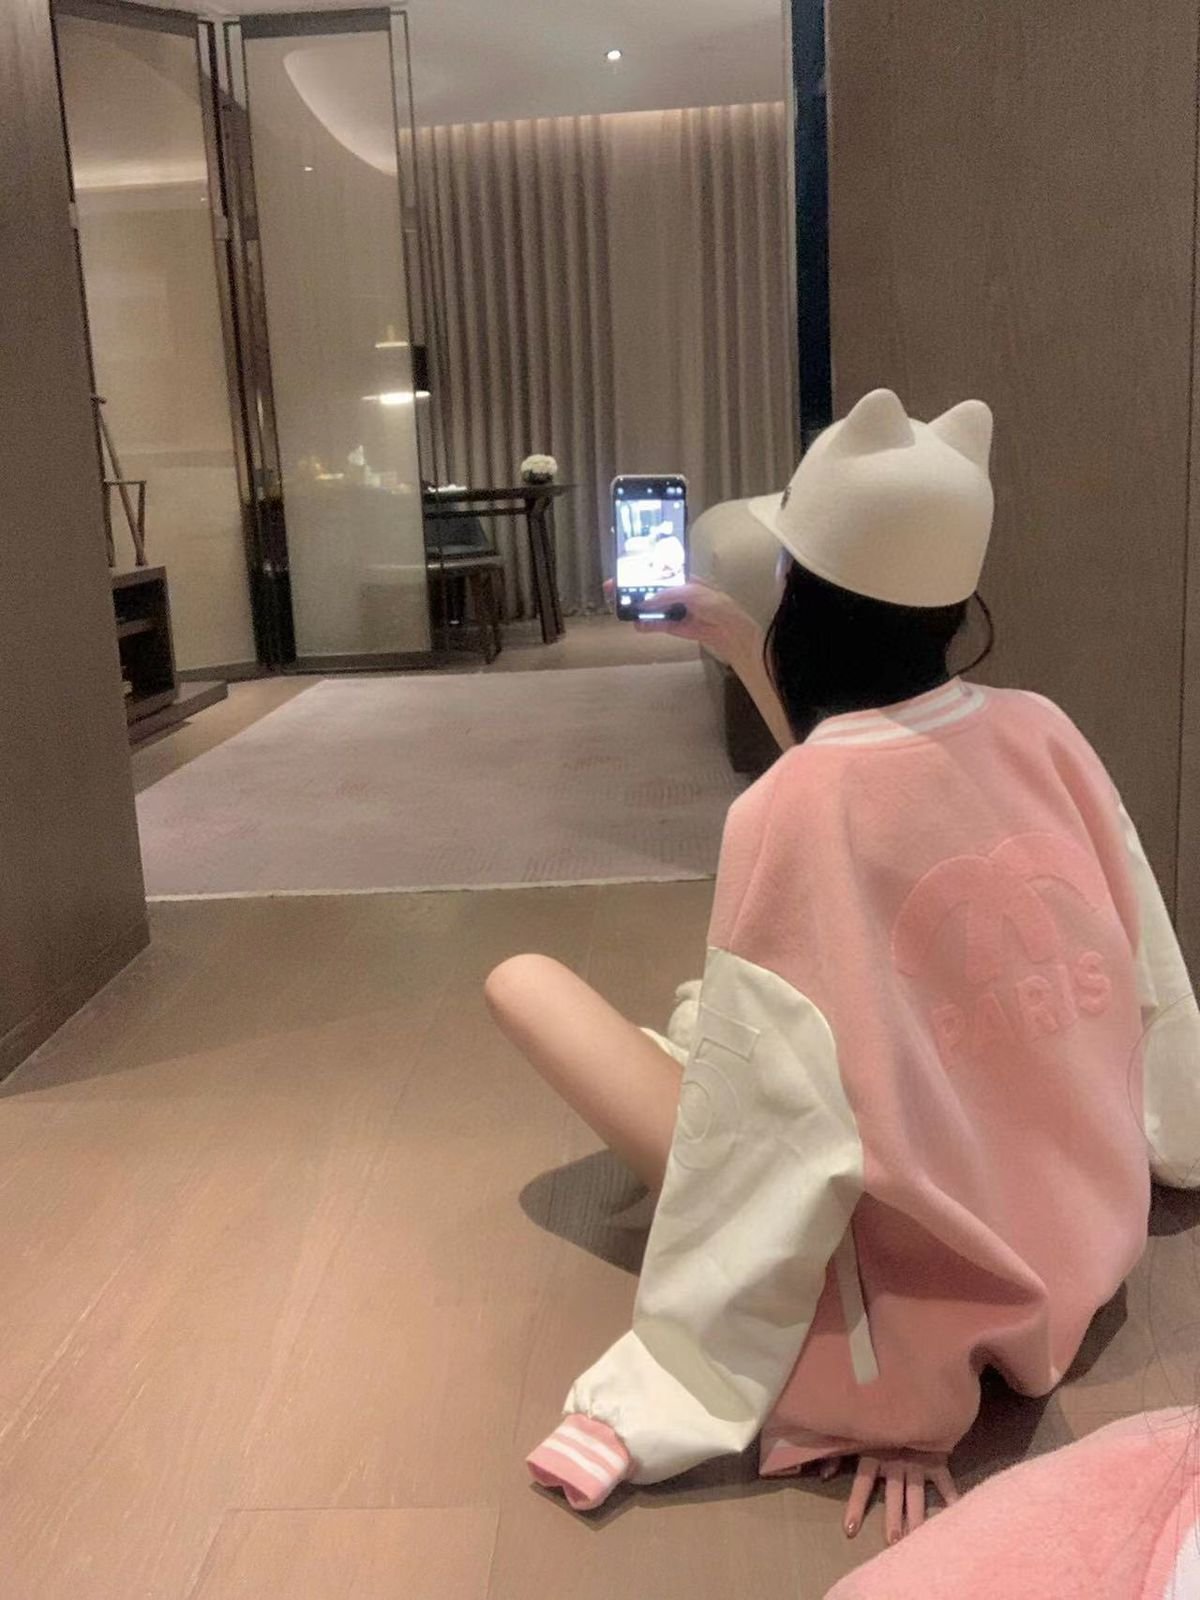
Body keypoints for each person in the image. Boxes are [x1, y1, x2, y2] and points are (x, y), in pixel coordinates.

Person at [484, 389, 1200, 1543]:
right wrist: (1176, 1138)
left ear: (801, 601)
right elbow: (1146, 959)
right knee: (748, 1011)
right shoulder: (1043, 730)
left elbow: (768, 1129)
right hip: (1074, 1216)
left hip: (903, 1263)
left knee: (521, 979)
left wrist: (712, 1389)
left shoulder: (790, 811)